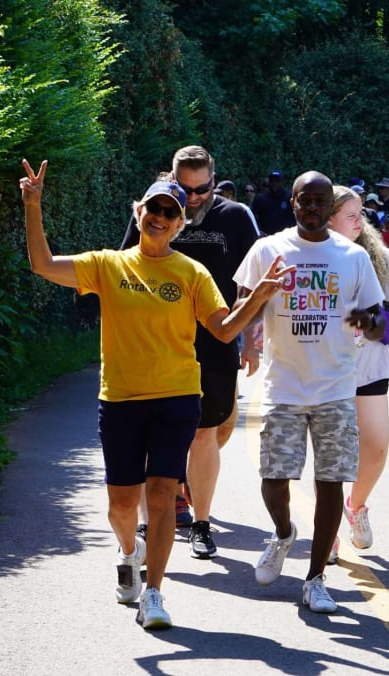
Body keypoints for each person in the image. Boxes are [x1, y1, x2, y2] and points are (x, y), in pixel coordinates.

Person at [19, 159, 291, 629]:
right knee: (122, 505)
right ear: (139, 211)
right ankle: (129, 552)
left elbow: (223, 330)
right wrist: (33, 206)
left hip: (178, 398)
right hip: (121, 400)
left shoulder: (191, 273)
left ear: (180, 223)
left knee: (162, 494)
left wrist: (259, 298)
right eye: (154, 209)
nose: (160, 218)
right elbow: (42, 265)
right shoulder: (106, 264)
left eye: (170, 213)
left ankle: (155, 592)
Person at [233, 171, 386, 615]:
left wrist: (363, 321)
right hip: (283, 384)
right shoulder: (269, 249)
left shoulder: (351, 257)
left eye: (321, 200)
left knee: (330, 482)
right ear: (294, 202)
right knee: (274, 478)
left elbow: (376, 320)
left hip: (336, 386)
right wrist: (248, 339)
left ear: (329, 205)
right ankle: (283, 533)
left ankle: (316, 578)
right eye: (306, 200)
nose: (313, 208)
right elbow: (242, 305)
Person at [119, 146, 261, 559]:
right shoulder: (155, 212)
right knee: (156, 429)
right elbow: (124, 265)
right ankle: (156, 517)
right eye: (186, 189)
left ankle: (201, 520)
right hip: (158, 342)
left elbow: (252, 280)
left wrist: (251, 337)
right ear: (171, 181)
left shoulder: (233, 218)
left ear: (215, 182)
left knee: (208, 432)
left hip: (216, 340)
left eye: (203, 189)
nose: (195, 198)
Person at [324, 186, 389, 562]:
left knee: (376, 446)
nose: (361, 222)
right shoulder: (312, 258)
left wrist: (357, 320)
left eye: (361, 215)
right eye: (352, 216)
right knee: (331, 453)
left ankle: (355, 506)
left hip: (369, 368)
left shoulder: (384, 262)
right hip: (325, 372)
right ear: (328, 219)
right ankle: (325, 532)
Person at [252, 169, 294, 235]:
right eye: (272, 180)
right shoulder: (260, 199)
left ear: (282, 182)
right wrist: (259, 231)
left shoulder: (290, 197)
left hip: (286, 238)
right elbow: (254, 218)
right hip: (267, 238)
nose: (274, 183)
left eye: (277, 181)